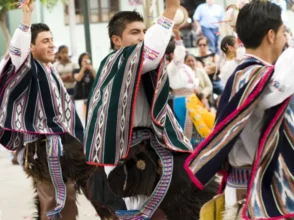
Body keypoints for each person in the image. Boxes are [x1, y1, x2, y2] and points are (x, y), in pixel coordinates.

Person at [84, 2, 218, 219]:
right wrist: (171, 10)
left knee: (188, 191)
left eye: (143, 32)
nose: (141, 37)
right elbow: (151, 53)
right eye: (134, 32)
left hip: (154, 143)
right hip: (129, 151)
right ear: (116, 40)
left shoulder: (135, 62)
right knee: (140, 209)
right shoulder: (118, 61)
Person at [0, 3, 94, 220]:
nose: (51, 45)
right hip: (42, 149)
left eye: (52, 40)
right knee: (53, 199)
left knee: (67, 197)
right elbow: (18, 49)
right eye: (45, 41)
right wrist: (26, 15)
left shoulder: (50, 71)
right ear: (31, 47)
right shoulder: (27, 66)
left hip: (63, 145)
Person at [185, 1, 294, 220]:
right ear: (271, 35)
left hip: (243, 185)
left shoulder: (243, 73)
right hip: (257, 192)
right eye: (284, 33)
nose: (286, 39)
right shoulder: (259, 77)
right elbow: (286, 78)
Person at [166, 28, 215, 147]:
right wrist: (178, 36)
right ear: (172, 55)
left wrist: (202, 99)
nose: (183, 54)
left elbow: (195, 85)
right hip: (182, 100)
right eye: (178, 53)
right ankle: (189, 155)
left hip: (194, 98)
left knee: (200, 126)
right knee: (187, 128)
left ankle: (201, 152)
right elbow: (179, 55)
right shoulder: (172, 68)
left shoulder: (185, 67)